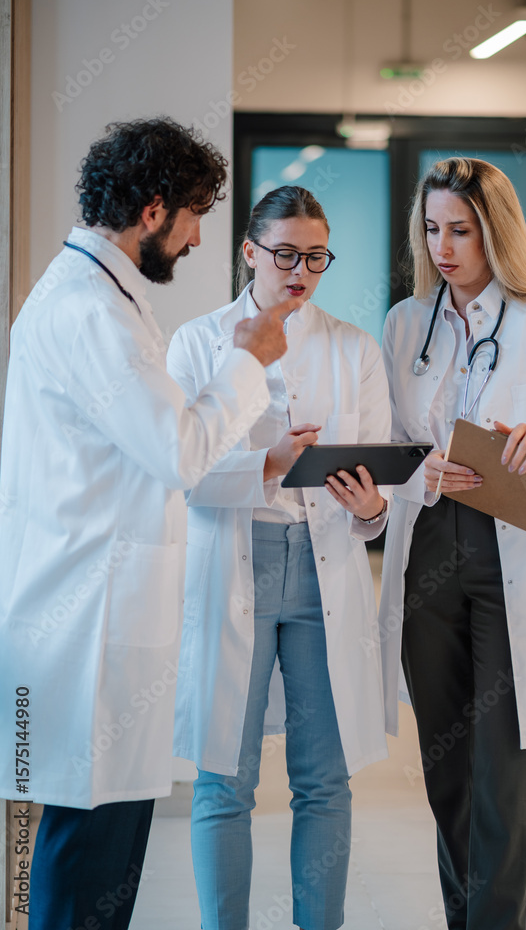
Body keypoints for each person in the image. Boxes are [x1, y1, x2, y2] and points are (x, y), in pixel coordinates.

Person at [0, 117, 293, 930]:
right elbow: (179, 452)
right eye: (197, 214)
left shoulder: (97, 296)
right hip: (83, 625)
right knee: (84, 856)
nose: (199, 237)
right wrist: (247, 360)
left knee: (102, 849)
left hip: (100, 617)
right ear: (155, 209)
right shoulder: (90, 311)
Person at [379, 157, 526, 930]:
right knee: (445, 770)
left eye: (462, 231)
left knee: (500, 773)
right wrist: (420, 470)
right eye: (432, 229)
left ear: (495, 232)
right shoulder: (406, 323)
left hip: (513, 548)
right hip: (429, 553)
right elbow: (388, 450)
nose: (443, 247)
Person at [166, 185, 391, 930]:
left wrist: (372, 509)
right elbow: (181, 477)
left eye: (315, 256)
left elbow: (387, 480)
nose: (300, 270)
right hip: (236, 561)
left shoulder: (354, 347)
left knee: (323, 780)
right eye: (285, 253)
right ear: (249, 251)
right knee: (222, 781)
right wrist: (270, 460)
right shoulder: (199, 343)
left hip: (324, 563)